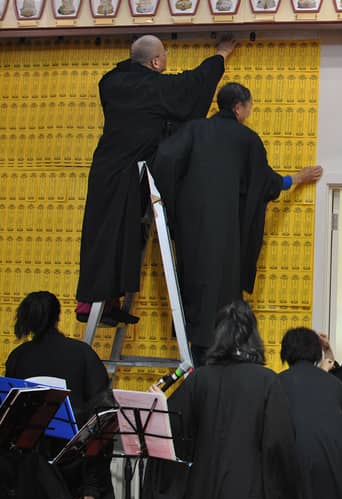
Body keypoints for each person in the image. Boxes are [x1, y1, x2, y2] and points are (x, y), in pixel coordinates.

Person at [151, 82, 322, 365]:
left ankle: (195, 357)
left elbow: (165, 159)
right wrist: (296, 178)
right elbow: (264, 183)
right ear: (239, 107)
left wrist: (173, 205)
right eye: (250, 106)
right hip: (229, 239)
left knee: (194, 291)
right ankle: (217, 358)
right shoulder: (247, 140)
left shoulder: (194, 129)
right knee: (223, 301)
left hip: (192, 233)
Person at [76, 35, 236, 325]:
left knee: (105, 235)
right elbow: (191, 85)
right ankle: (95, 303)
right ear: (155, 62)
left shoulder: (109, 82)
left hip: (106, 168)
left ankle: (100, 302)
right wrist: (221, 54)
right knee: (118, 237)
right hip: (130, 170)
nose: (166, 59)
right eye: (164, 54)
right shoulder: (154, 87)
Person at [150, 300, 300, 499]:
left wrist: (159, 404)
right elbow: (279, 445)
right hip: (249, 488)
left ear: (217, 336)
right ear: (254, 336)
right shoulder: (267, 381)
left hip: (202, 487)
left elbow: (172, 432)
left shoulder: (199, 378)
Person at [5, 291, 112, 499]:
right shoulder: (82, 353)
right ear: (57, 317)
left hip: (30, 473)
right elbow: (102, 418)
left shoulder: (17, 357)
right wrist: (91, 488)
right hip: (75, 469)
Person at [278, 328, 342, 499]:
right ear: (316, 353)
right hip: (334, 467)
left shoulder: (277, 383)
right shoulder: (336, 384)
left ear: (285, 353)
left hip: (292, 468)